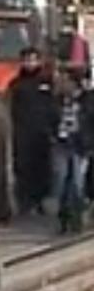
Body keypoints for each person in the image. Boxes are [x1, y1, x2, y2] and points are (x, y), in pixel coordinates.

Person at [8, 47, 56, 215]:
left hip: (42, 131)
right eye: (27, 60)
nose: (30, 63)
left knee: (42, 167)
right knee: (23, 167)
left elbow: (53, 105)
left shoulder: (46, 81)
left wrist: (52, 127)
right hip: (22, 132)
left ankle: (41, 200)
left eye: (33, 60)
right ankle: (25, 202)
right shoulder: (16, 84)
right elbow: (11, 107)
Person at [47, 69, 94, 233]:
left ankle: (76, 217)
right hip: (61, 144)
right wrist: (52, 135)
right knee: (60, 179)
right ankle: (64, 217)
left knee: (76, 182)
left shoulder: (88, 100)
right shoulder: (57, 100)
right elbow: (50, 119)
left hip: (80, 146)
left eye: (65, 80)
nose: (61, 83)